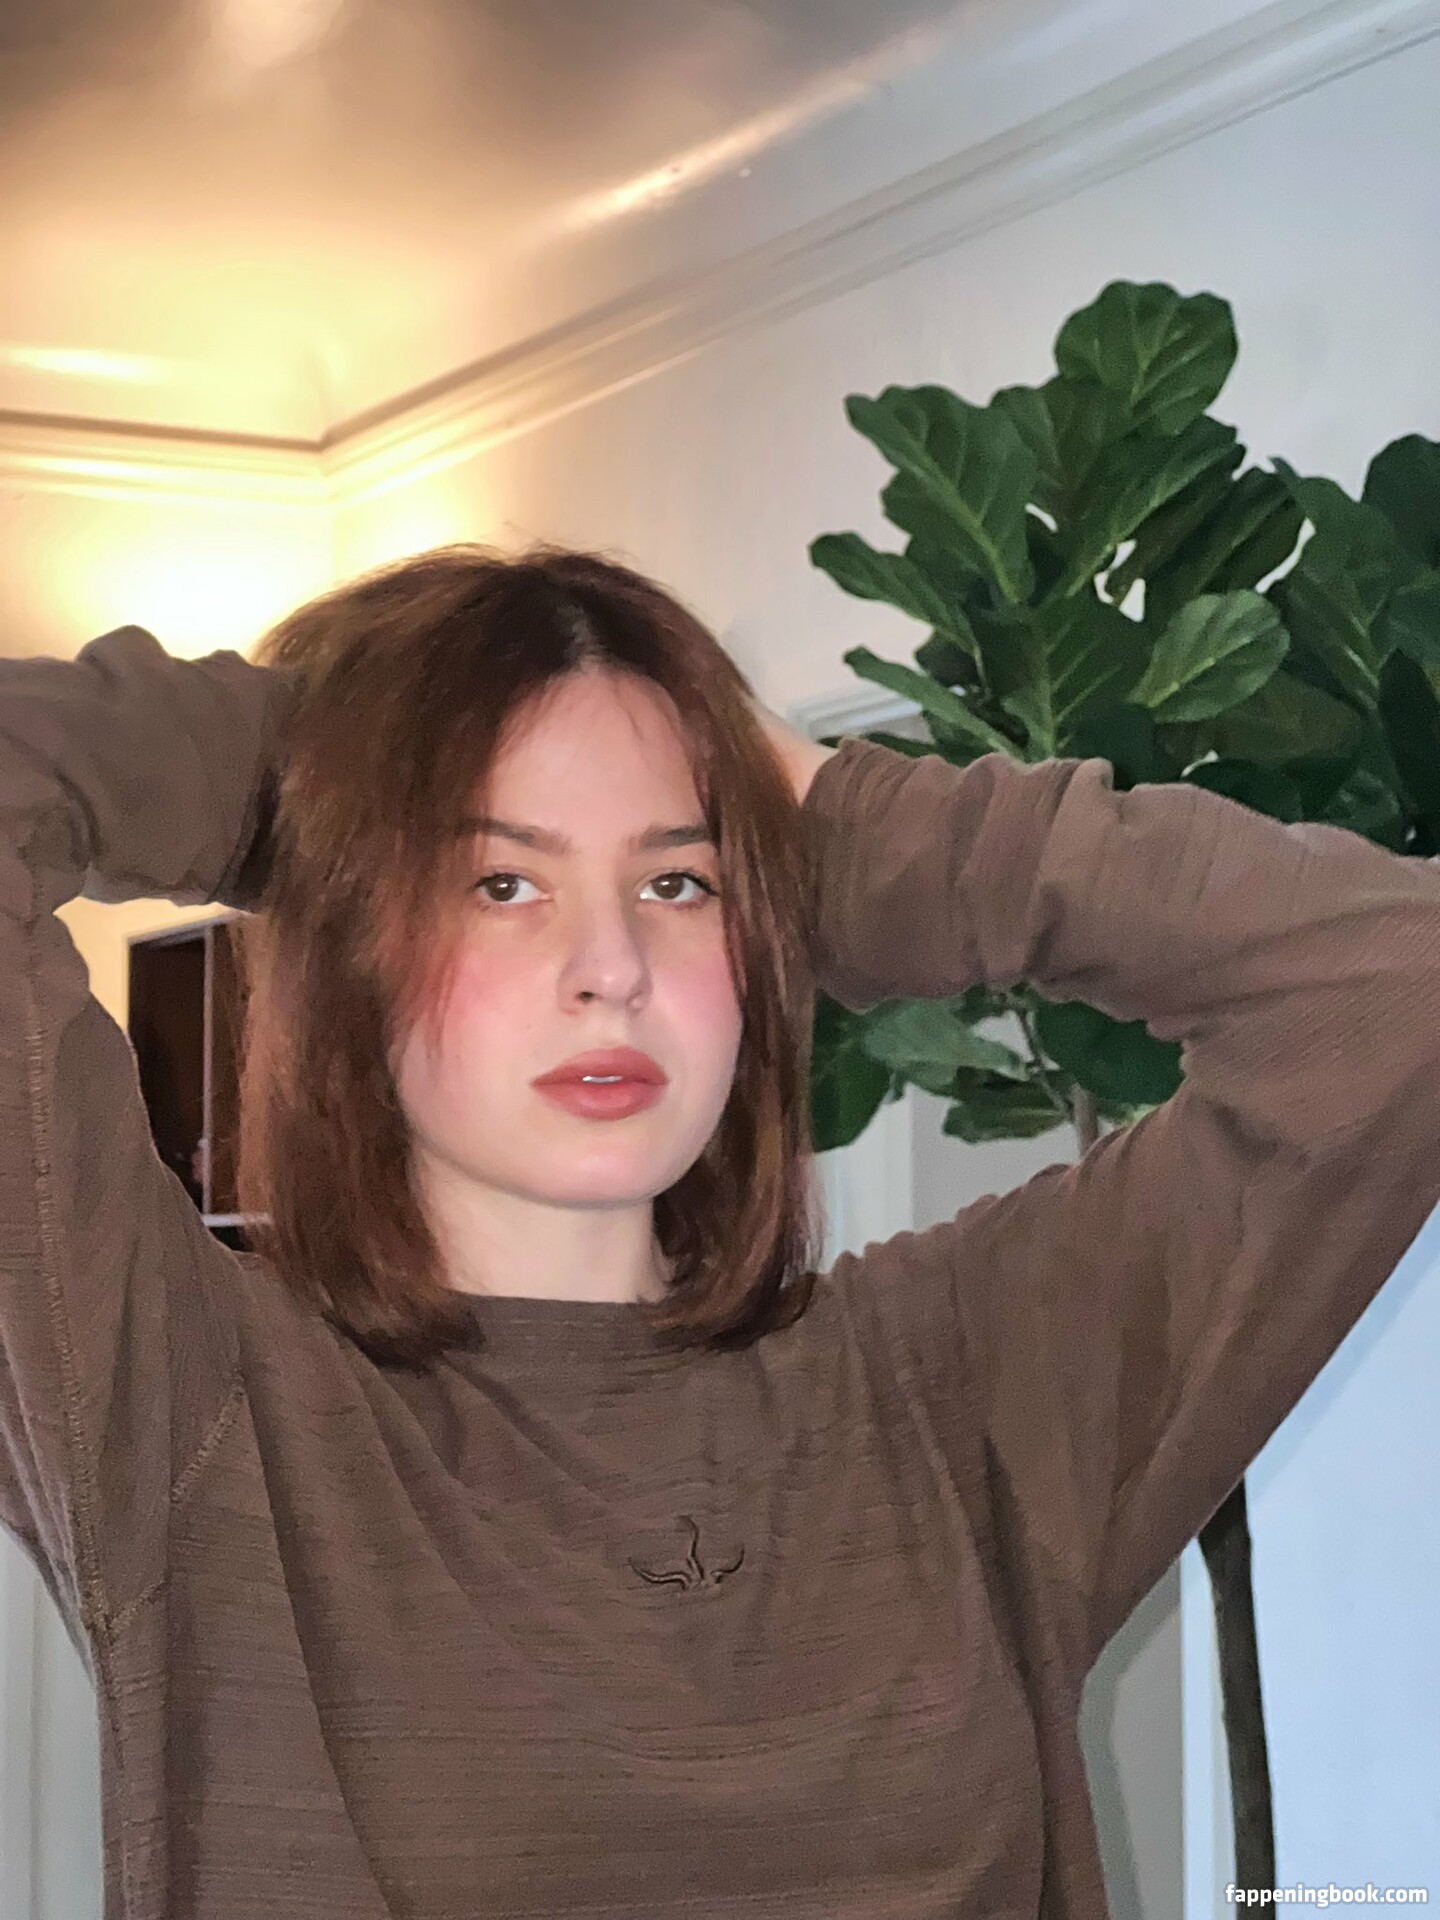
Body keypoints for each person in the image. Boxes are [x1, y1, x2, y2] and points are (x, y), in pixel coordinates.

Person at [1, 541, 1437, 1920]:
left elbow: (1395, 984)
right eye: (500, 882)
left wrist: (848, 836)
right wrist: (299, 775)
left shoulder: (957, 1384)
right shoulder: (182, 1396)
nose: (612, 967)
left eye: (678, 881)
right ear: (347, 939)